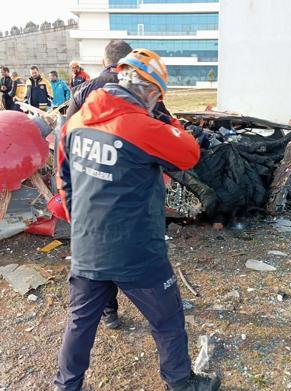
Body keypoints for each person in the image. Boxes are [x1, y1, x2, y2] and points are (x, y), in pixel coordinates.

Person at [55, 48, 221, 391]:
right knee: (167, 319)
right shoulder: (143, 127)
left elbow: (64, 178)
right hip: (137, 252)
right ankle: (181, 383)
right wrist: (166, 117)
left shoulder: (77, 121)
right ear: (150, 93)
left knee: (79, 323)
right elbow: (189, 153)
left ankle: (65, 385)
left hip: (87, 246)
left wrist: (82, 225)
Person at [65, 40, 172, 330]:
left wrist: (73, 211)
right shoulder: (145, 90)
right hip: (132, 198)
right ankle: (157, 314)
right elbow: (167, 132)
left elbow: (66, 142)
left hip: (90, 193)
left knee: (99, 259)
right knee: (135, 263)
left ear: (105, 60)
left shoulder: (84, 90)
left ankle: (109, 311)